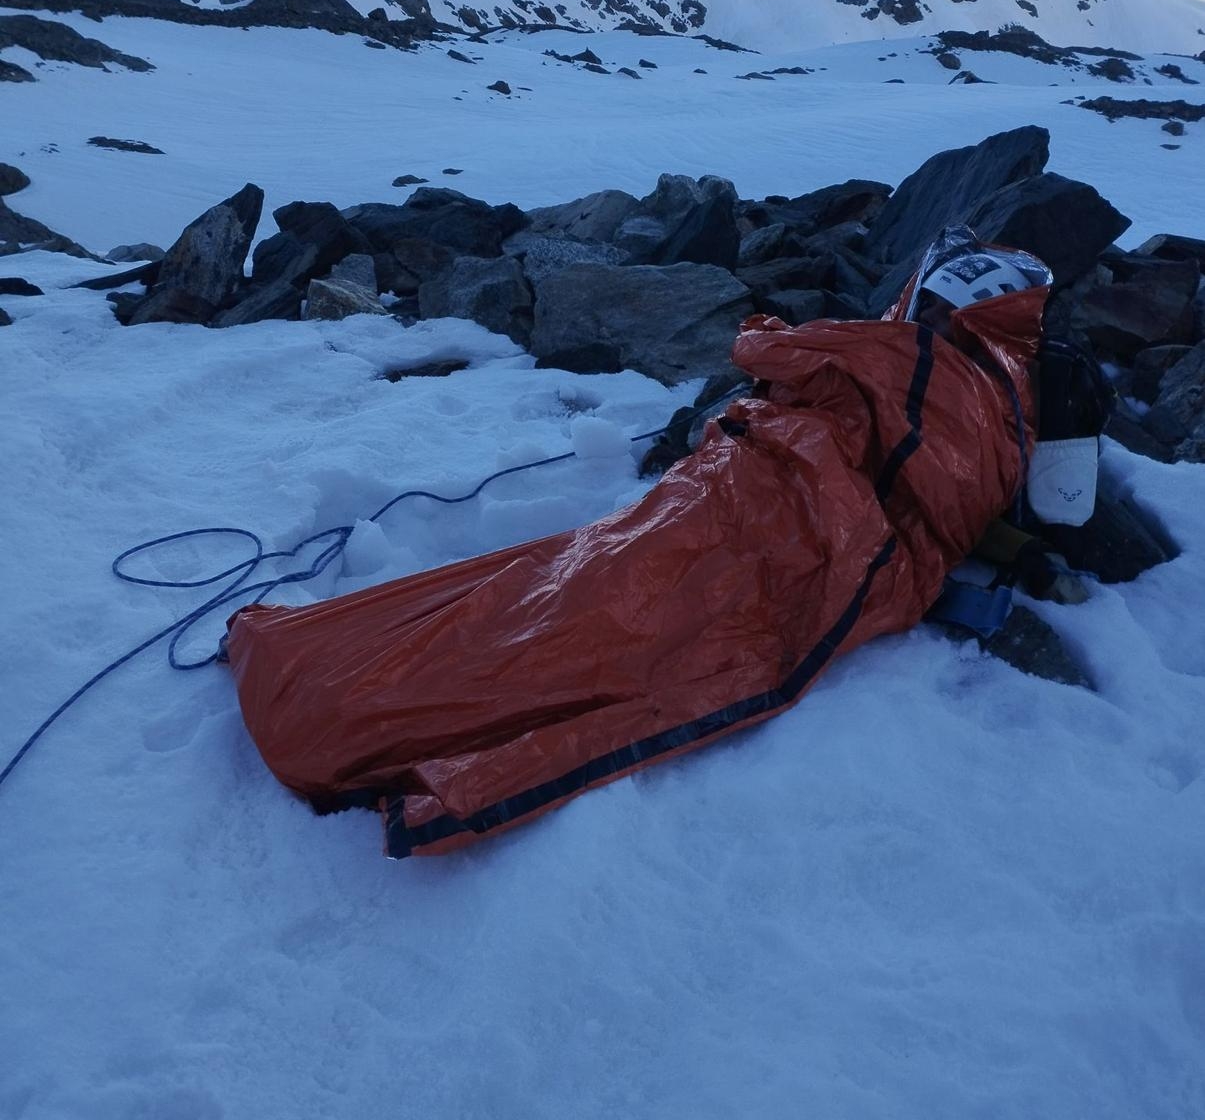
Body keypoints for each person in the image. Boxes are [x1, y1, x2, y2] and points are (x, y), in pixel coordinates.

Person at [227, 225, 1076, 859]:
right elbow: (940, 504)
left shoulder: (893, 351)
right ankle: (343, 702)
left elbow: (760, 347)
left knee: (564, 597)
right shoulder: (1011, 415)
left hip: (770, 518)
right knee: (598, 616)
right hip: (824, 548)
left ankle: (329, 699)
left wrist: (774, 332)